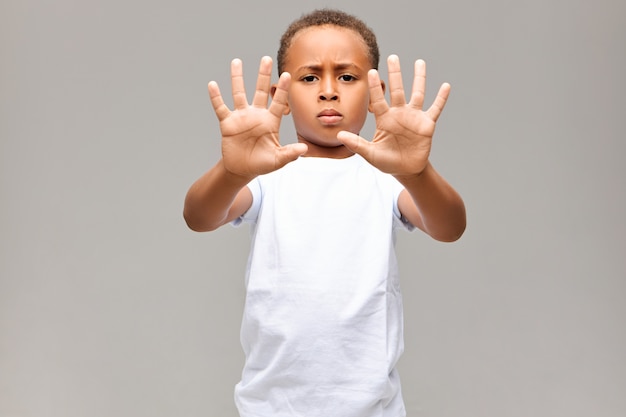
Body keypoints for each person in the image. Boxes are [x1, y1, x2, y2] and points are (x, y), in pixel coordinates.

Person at [184, 8, 466, 417]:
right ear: (284, 89)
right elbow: (199, 216)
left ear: (375, 92)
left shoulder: (384, 176)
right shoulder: (267, 174)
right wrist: (230, 172)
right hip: (271, 408)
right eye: (310, 76)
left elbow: (449, 227)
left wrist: (417, 173)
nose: (329, 90)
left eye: (347, 76)